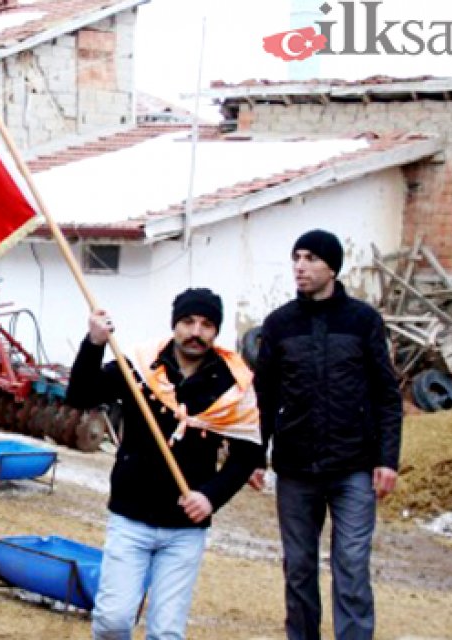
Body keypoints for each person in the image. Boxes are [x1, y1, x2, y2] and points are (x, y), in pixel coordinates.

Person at [66, 288, 264, 640]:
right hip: (131, 517)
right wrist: (94, 343)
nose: (196, 332)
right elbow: (80, 395)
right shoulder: (140, 368)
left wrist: (210, 497)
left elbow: (248, 453)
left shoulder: (232, 385)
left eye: (206, 325)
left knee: (166, 633)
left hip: (184, 528)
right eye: (188, 322)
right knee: (113, 621)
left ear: (215, 331)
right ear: (175, 325)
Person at [252, 230, 402, 640]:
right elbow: (263, 397)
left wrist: (387, 459)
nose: (300, 266)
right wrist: (254, 456)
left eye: (311, 258)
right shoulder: (280, 324)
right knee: (298, 566)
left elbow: (387, 395)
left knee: (351, 564)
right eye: (296, 257)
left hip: (354, 467)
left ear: (332, 267)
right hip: (296, 468)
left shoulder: (363, 321)